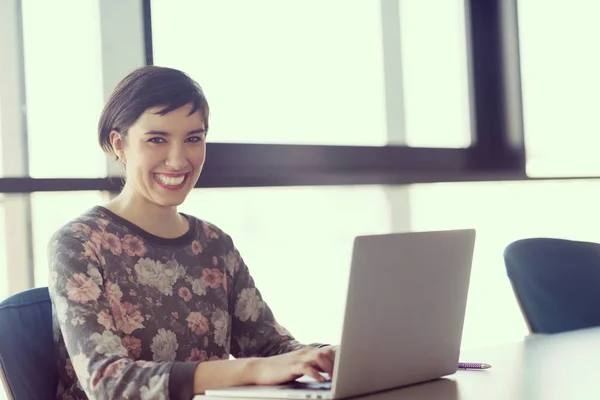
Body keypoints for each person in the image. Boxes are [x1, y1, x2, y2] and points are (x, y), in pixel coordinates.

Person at [48, 66, 336, 400]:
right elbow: (110, 382)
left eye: (193, 139)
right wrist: (251, 370)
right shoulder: (79, 243)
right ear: (119, 144)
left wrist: (334, 356)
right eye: (157, 139)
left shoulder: (214, 245)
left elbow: (271, 348)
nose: (178, 159)